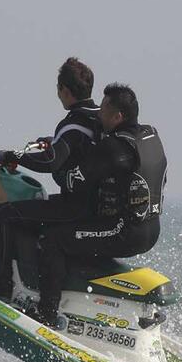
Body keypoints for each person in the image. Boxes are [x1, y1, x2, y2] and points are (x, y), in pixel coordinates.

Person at [26, 83, 168, 327]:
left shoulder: (113, 148)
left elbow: (72, 181)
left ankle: (46, 314)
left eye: (103, 109)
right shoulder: (150, 135)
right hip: (151, 229)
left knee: (54, 240)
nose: (98, 113)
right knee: (80, 238)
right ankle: (85, 307)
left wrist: (51, 158)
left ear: (118, 116)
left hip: (125, 232)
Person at [0, 58, 102, 298]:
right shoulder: (100, 117)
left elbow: (52, 162)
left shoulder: (73, 124)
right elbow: (79, 152)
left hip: (77, 207)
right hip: (94, 204)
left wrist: (15, 157)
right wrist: (55, 143)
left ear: (65, 90)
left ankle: (2, 286)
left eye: (58, 89)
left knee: (5, 215)